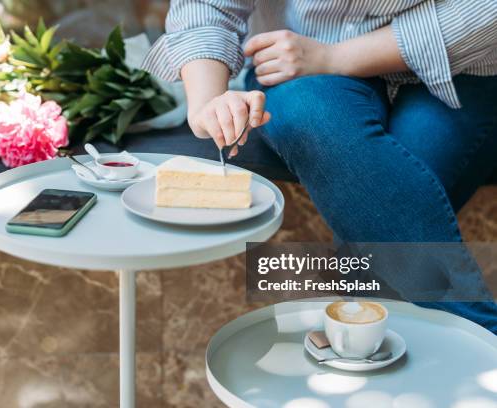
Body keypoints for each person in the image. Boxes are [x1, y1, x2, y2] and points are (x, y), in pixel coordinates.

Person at [142, 1, 497, 333]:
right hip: (294, 61)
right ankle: (484, 340)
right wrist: (208, 102)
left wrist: (336, 56)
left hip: (460, 63)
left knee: (383, 213)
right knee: (312, 119)